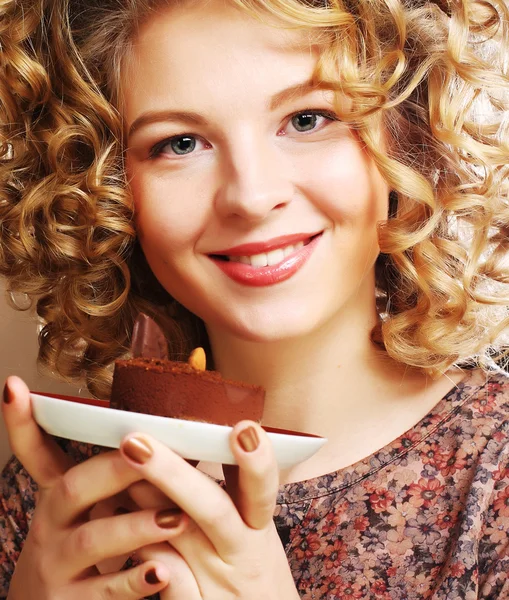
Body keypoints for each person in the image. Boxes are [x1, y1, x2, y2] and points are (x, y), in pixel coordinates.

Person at [0, 0, 508, 597]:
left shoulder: (494, 478)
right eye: (181, 143)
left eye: (307, 119)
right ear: (105, 193)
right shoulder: (61, 493)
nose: (251, 195)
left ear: (404, 134)